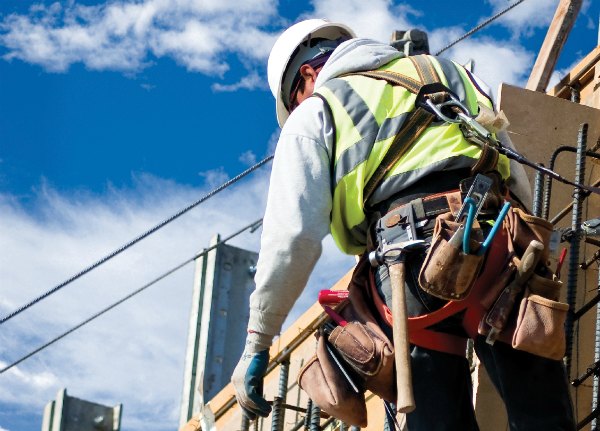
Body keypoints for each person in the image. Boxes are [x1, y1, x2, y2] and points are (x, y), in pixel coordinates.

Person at [231, 18, 575, 430]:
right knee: (543, 415)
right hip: (495, 248)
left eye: (296, 97)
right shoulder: (447, 73)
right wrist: (541, 253)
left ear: (307, 74)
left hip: (407, 271)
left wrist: (258, 341)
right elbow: (511, 165)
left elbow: (292, 238)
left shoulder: (318, 110)